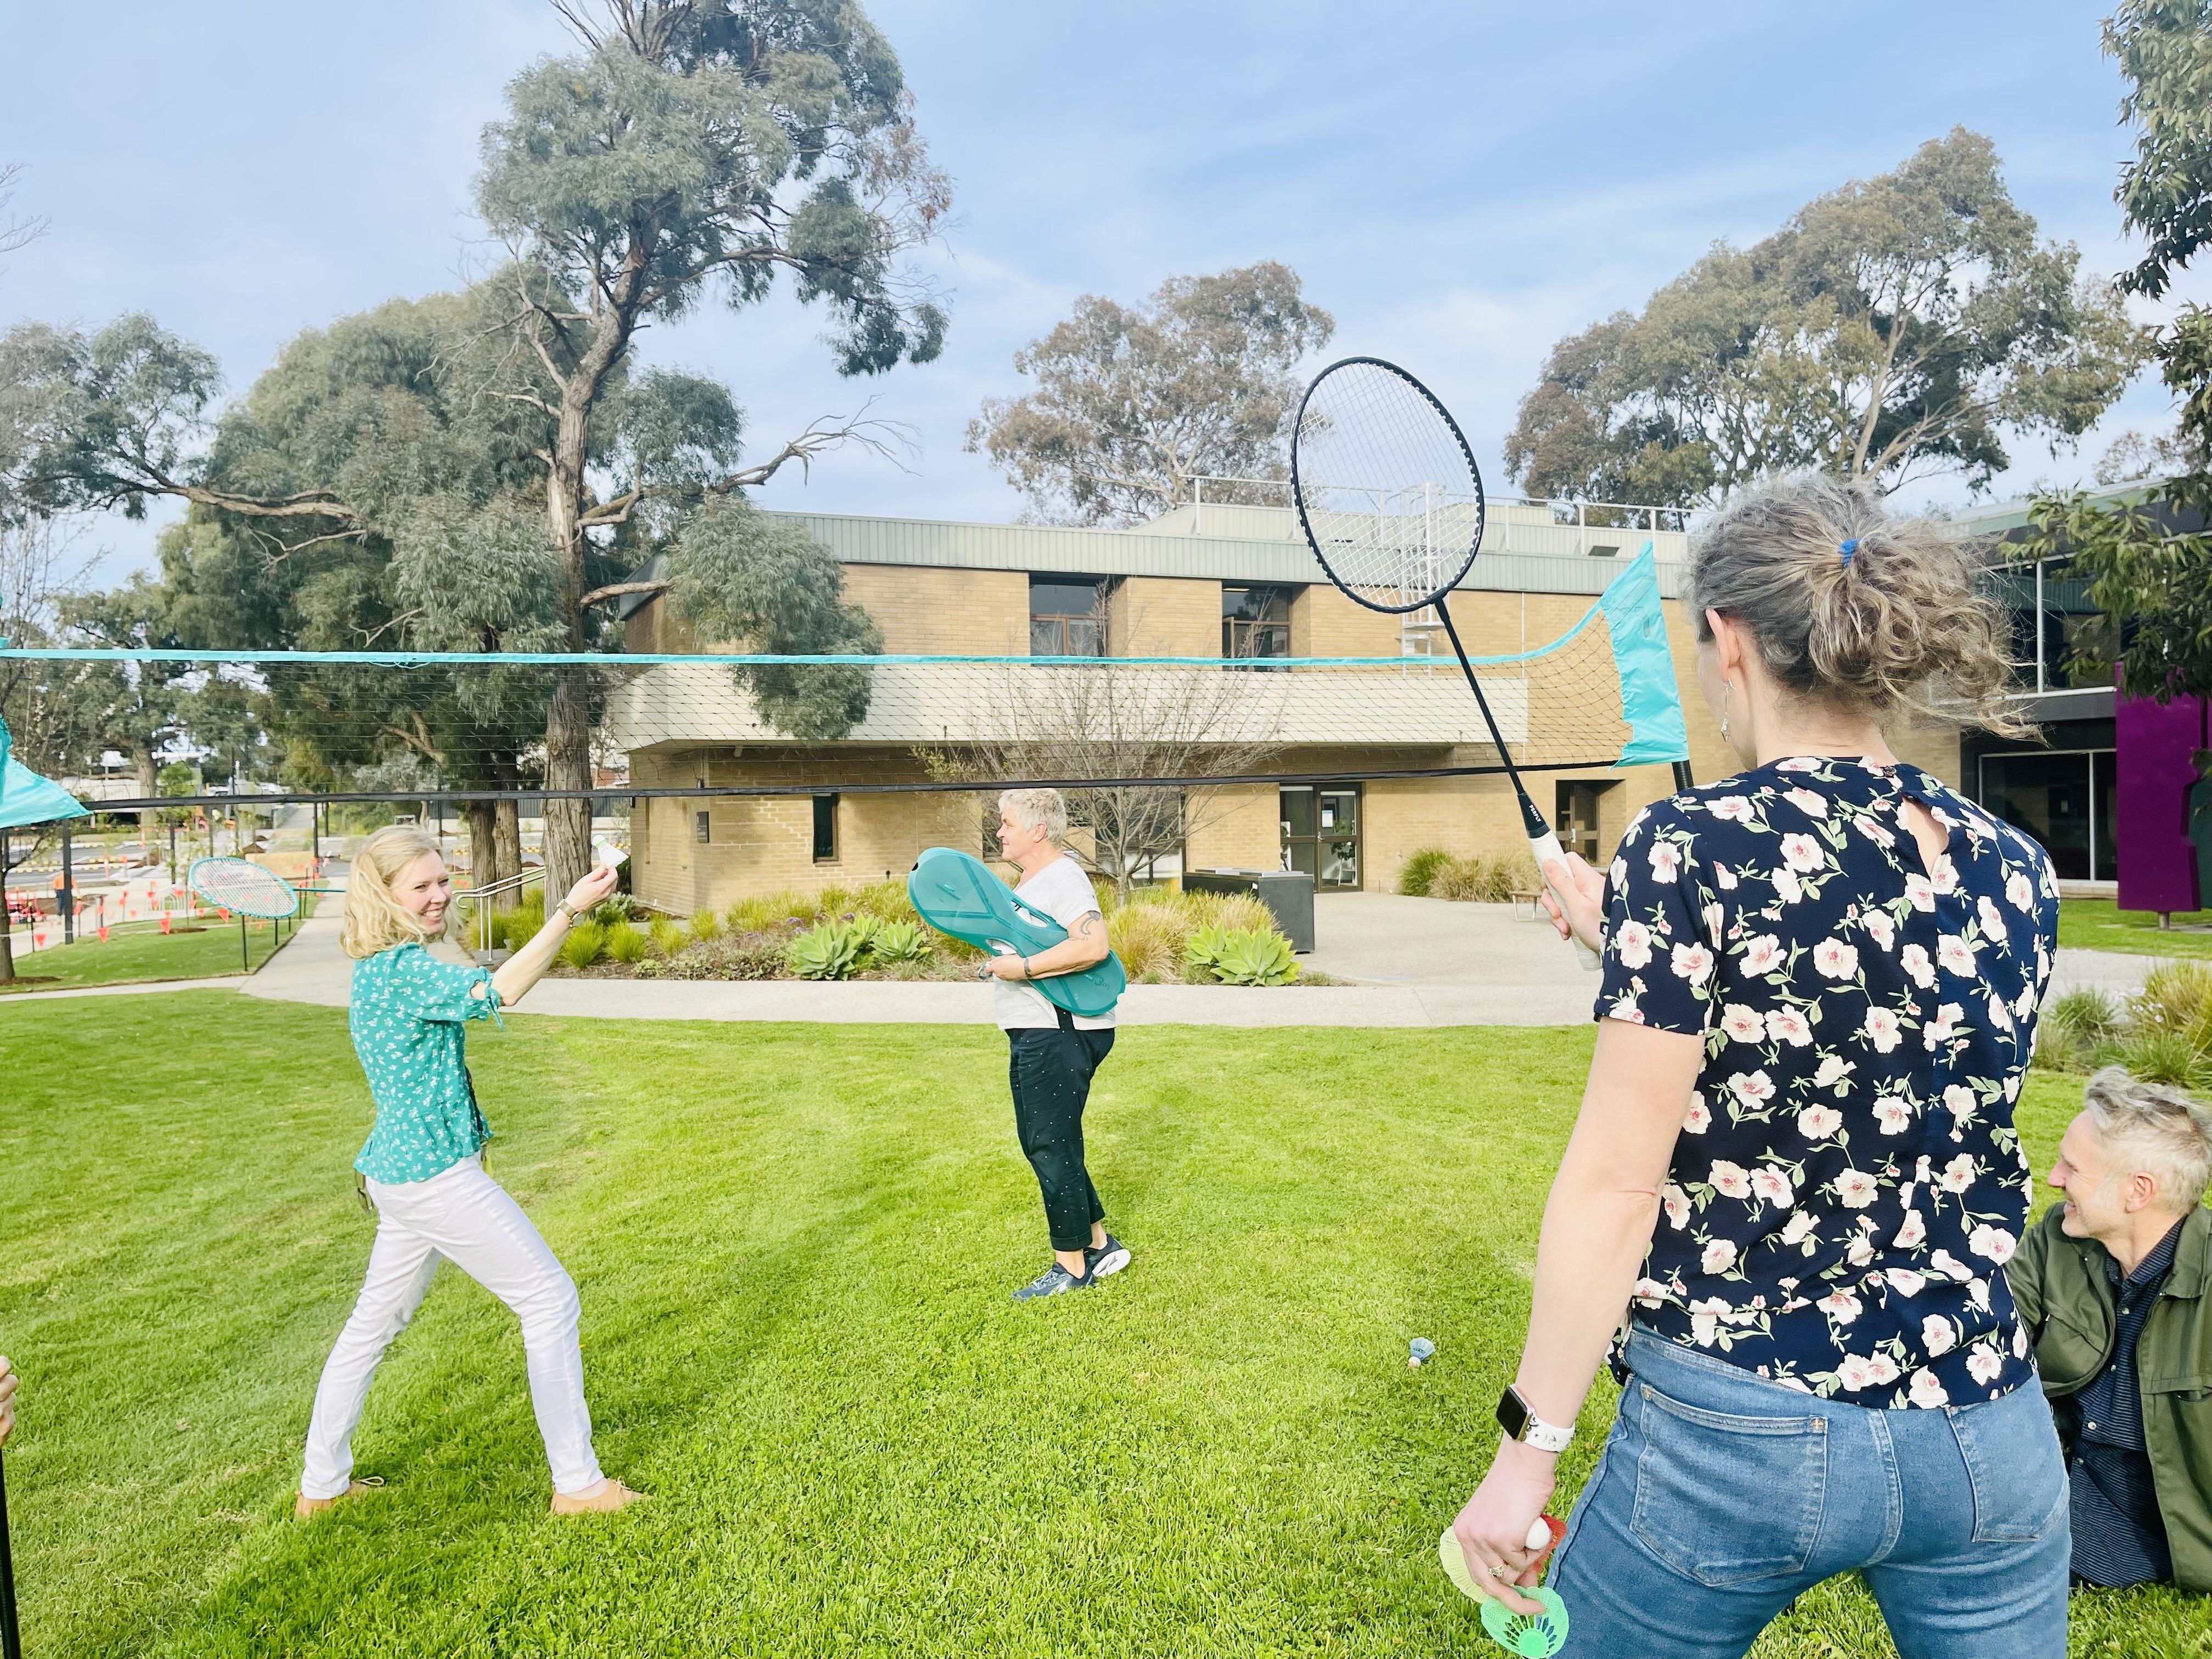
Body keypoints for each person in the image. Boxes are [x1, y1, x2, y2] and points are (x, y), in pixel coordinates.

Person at [1450, 472, 2069, 1658]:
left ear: (1729, 640)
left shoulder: (1691, 846)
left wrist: (1526, 1456)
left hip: (1740, 1435)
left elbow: (1619, 1190)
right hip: (1989, 1437)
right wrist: (1626, 940)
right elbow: (1887, 1040)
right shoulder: (2016, 865)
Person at [296, 827, 645, 1519]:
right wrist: (569, 911)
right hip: (432, 1178)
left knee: (373, 1327)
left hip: (400, 1173)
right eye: (420, 886)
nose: (438, 896)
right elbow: (501, 990)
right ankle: (578, 1486)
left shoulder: (387, 968)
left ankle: (321, 1490)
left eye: (442, 881)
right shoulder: (401, 971)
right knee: (549, 1301)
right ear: (385, 895)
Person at [2009, 1067, 2212, 1593]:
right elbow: (1987, 1338)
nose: (2054, 1179)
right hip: (2054, 1478)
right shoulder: (2056, 1239)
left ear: (2136, 1192)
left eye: (2071, 1168)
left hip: (2153, 1519)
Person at [983, 788, 1130, 1301]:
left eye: (1006, 823)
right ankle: (1099, 1244)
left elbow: (1092, 944)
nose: (999, 832)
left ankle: (1070, 1267)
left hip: (1060, 1030)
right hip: (1037, 1028)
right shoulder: (1032, 881)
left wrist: (1019, 969)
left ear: (1038, 830)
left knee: (1049, 1141)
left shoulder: (1063, 876)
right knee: (1045, 1139)